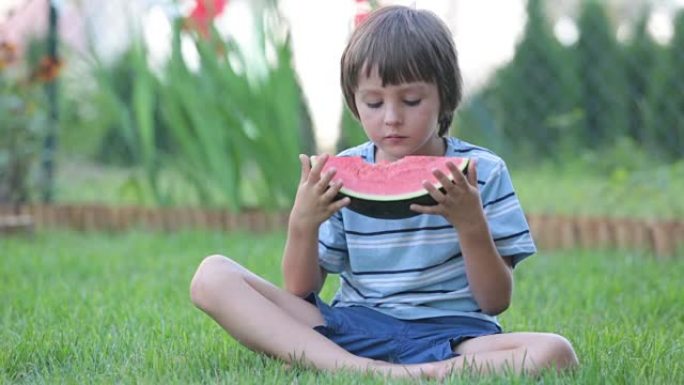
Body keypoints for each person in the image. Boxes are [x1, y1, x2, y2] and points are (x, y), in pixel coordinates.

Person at [189, 5, 578, 380]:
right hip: (354, 325)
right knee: (212, 276)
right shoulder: (338, 171)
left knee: (555, 352)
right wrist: (302, 224)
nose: (391, 117)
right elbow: (300, 291)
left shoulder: (483, 173)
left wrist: (470, 223)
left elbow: (496, 301)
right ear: (354, 102)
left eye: (411, 100)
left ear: (444, 95)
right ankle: (379, 372)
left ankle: (343, 364)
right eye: (373, 102)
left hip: (454, 337)